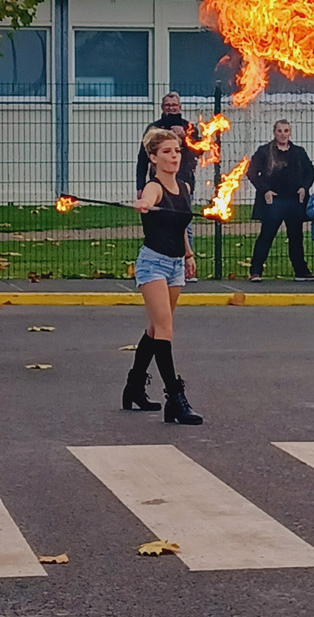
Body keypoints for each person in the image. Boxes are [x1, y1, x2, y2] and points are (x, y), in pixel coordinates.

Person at [124, 128, 202, 424]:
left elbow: (180, 225)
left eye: (177, 151)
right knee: (165, 329)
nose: (174, 156)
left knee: (156, 330)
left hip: (175, 265)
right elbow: (149, 200)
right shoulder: (152, 187)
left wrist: (189, 254)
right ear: (153, 157)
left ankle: (133, 386)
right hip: (153, 264)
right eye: (167, 152)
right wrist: (144, 204)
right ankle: (176, 399)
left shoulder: (184, 188)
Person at [136, 92, 199, 281]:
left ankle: (186, 265)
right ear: (163, 108)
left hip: (183, 181)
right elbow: (142, 160)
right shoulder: (154, 128)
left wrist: (185, 139)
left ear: (180, 107)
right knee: (163, 223)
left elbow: (201, 150)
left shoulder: (188, 127)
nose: (171, 108)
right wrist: (142, 194)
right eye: (168, 105)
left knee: (183, 223)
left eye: (174, 105)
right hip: (155, 264)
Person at [247, 119, 314, 282]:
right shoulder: (264, 151)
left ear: (290, 133)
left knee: (296, 237)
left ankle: (301, 271)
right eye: (280, 131)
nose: (283, 134)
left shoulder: (298, 152)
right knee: (266, 235)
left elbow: (311, 172)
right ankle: (256, 271)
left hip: (294, 200)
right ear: (274, 132)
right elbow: (251, 172)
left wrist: (304, 188)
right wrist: (265, 190)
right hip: (274, 202)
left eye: (286, 131)